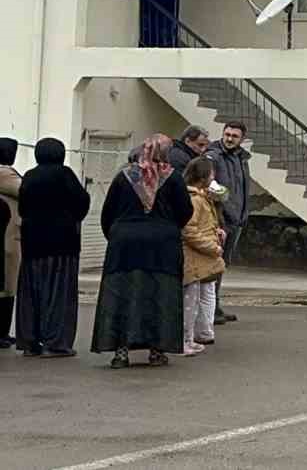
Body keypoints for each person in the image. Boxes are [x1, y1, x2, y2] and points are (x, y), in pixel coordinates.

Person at [91, 134, 194, 368]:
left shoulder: (124, 176)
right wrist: (167, 227)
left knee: (121, 295)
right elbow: (185, 211)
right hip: (162, 245)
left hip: (124, 243)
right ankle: (156, 350)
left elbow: (108, 212)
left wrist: (118, 235)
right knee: (160, 296)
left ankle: (121, 351)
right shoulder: (173, 178)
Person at [14, 138, 91, 357]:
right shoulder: (65, 175)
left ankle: (30, 341)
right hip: (62, 243)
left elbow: (23, 208)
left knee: (32, 292)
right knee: (59, 293)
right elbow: (82, 201)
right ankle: (55, 342)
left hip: (33, 242)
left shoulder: (29, 176)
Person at [204, 121, 250, 325]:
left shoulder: (241, 158)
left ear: (242, 139)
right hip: (221, 219)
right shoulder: (213, 156)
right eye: (227, 134)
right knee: (215, 265)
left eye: (234, 136)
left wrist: (242, 214)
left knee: (222, 266)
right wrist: (224, 211)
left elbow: (242, 188)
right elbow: (210, 185)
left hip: (237, 219)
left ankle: (215, 305)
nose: (229, 138)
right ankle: (210, 309)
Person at [179, 157, 226, 356]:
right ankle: (184, 340)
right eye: (211, 173)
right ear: (203, 177)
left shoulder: (202, 197)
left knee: (197, 298)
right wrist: (212, 247)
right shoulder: (195, 199)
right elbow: (189, 230)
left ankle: (191, 338)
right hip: (194, 257)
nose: (214, 177)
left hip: (200, 256)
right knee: (189, 303)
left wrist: (216, 233)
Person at [0, 137, 20, 349]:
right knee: (7, 286)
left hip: (9, 233)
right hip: (8, 236)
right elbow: (25, 190)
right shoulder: (4, 173)